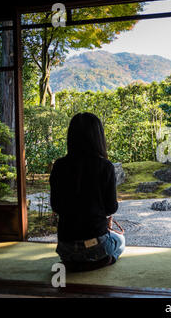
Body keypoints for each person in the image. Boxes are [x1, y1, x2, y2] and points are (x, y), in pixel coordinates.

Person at [50, 112, 125, 266]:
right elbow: (111, 207)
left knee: (79, 248)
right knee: (120, 240)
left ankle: (78, 261)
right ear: (98, 137)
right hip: (96, 244)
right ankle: (106, 259)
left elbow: (56, 206)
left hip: (66, 247)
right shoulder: (105, 166)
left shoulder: (59, 166)